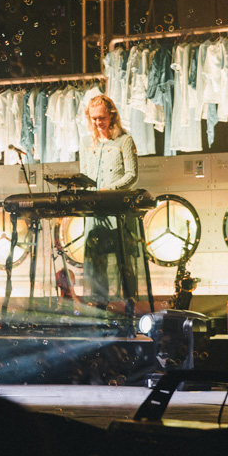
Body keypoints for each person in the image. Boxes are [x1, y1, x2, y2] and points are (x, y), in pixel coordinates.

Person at [79, 94, 140, 309]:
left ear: (111, 116)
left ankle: (128, 308)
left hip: (116, 213)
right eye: (94, 118)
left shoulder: (124, 140)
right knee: (96, 262)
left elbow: (131, 175)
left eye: (101, 118)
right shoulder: (86, 143)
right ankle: (99, 307)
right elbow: (83, 175)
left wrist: (109, 190)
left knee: (122, 262)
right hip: (94, 214)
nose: (98, 122)